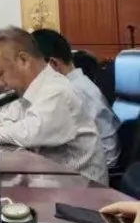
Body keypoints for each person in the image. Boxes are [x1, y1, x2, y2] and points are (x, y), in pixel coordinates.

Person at [0, 27, 107, 184]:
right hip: (52, 180)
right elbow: (5, 118)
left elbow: (28, 134)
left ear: (23, 60)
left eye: (0, 74)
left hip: (80, 189)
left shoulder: (57, 91)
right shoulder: (32, 91)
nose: (0, 83)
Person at [32, 29, 120, 168]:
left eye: (32, 69)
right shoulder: (75, 85)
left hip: (95, 171)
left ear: (53, 64)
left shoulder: (75, 92)